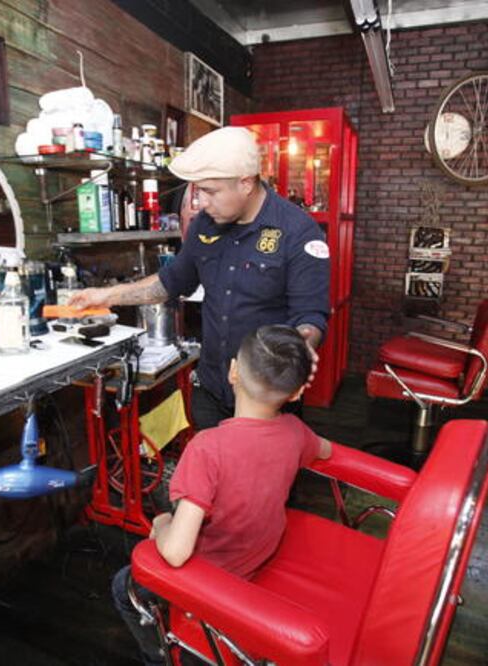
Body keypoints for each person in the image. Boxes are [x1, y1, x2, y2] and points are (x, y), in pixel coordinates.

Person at [70, 126, 330, 430]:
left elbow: (309, 316)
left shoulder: (298, 232)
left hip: (266, 404)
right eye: (197, 191)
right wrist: (104, 296)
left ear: (246, 183)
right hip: (210, 391)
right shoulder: (204, 226)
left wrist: (302, 345)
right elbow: (170, 282)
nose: (201, 202)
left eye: (210, 191)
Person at [111, 325, 332, 665]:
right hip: (257, 556)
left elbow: (175, 553)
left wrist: (164, 521)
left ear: (232, 372)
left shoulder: (207, 449)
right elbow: (327, 450)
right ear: (297, 393)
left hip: (210, 578)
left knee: (123, 586)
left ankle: (162, 657)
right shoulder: (295, 432)